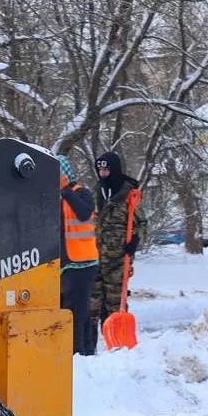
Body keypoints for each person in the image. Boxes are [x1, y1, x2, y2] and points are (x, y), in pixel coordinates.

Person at [92, 151, 146, 326]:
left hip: (118, 258)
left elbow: (142, 224)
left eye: (106, 170)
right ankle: (91, 345)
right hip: (97, 255)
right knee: (93, 303)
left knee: (115, 304)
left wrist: (135, 242)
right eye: (100, 171)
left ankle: (117, 346)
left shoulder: (129, 194)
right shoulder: (99, 192)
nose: (103, 174)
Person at [59, 160, 99, 356]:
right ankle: (81, 349)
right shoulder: (55, 198)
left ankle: (80, 351)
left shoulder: (82, 193)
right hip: (66, 263)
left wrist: (66, 190)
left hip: (83, 262)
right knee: (70, 307)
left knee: (78, 310)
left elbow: (83, 213)